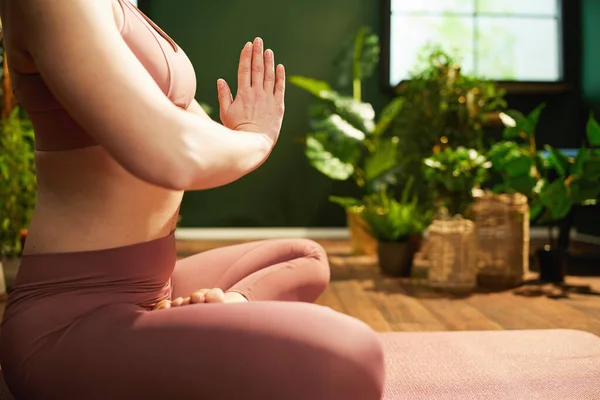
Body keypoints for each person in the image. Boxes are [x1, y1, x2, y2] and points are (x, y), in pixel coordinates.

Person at [0, 0, 386, 398]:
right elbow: (174, 152)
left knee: (306, 258)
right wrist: (256, 139)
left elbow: (186, 129)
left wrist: (243, 136)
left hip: (156, 290)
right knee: (355, 355)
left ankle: (219, 310)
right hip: (71, 324)